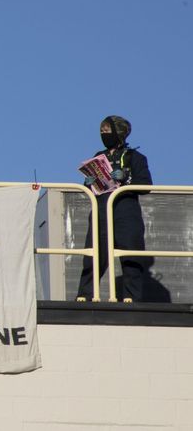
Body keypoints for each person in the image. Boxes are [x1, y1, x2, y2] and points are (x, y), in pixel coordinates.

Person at [76, 115, 151, 302]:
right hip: (101, 210)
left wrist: (126, 178)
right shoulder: (98, 157)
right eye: (101, 131)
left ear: (119, 133)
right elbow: (90, 189)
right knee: (93, 254)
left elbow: (145, 185)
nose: (103, 134)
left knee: (130, 253)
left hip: (126, 210)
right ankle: (85, 295)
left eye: (107, 131)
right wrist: (88, 184)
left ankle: (132, 296)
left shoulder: (135, 157)